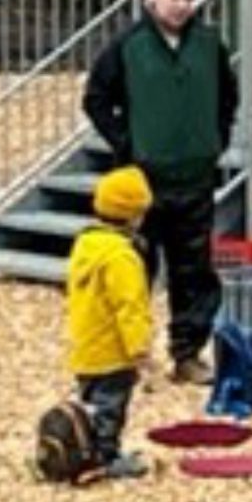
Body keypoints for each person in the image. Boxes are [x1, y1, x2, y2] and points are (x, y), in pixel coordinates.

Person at [82, 0, 238, 386]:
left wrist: (216, 140)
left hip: (196, 178)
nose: (182, 5)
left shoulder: (209, 44)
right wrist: (126, 144)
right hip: (144, 184)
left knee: (194, 270)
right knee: (136, 272)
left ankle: (187, 354)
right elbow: (96, 98)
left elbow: (229, 96)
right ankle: (129, 359)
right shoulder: (127, 46)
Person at [66, 166, 154, 479]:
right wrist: (139, 349)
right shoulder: (122, 257)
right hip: (112, 351)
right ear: (135, 215)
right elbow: (128, 306)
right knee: (111, 408)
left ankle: (81, 448)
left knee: (90, 403)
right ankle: (106, 455)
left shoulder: (86, 245)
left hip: (85, 345)